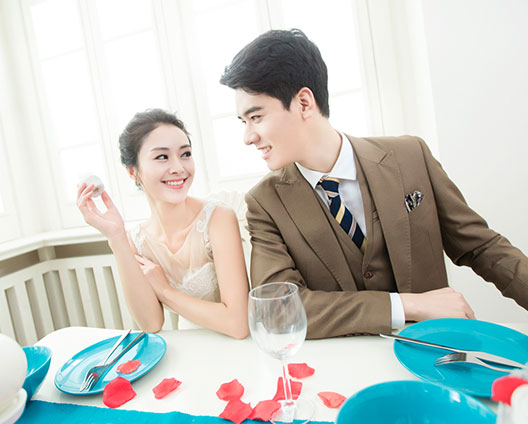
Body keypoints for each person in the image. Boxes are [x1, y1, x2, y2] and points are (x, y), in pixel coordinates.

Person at [219, 28, 528, 339]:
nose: (248, 137)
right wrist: (405, 305)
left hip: (438, 353)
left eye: (256, 117)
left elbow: (482, 247)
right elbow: (278, 310)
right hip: (346, 363)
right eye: (243, 122)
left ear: (304, 103)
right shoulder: (264, 203)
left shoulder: (411, 156)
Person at [76, 109, 249, 339]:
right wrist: (116, 238)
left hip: (239, 346)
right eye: (162, 157)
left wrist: (165, 292)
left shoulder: (218, 219)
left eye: (185, 154)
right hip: (190, 346)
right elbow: (151, 323)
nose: (179, 167)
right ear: (133, 172)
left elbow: (238, 324)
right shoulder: (137, 241)